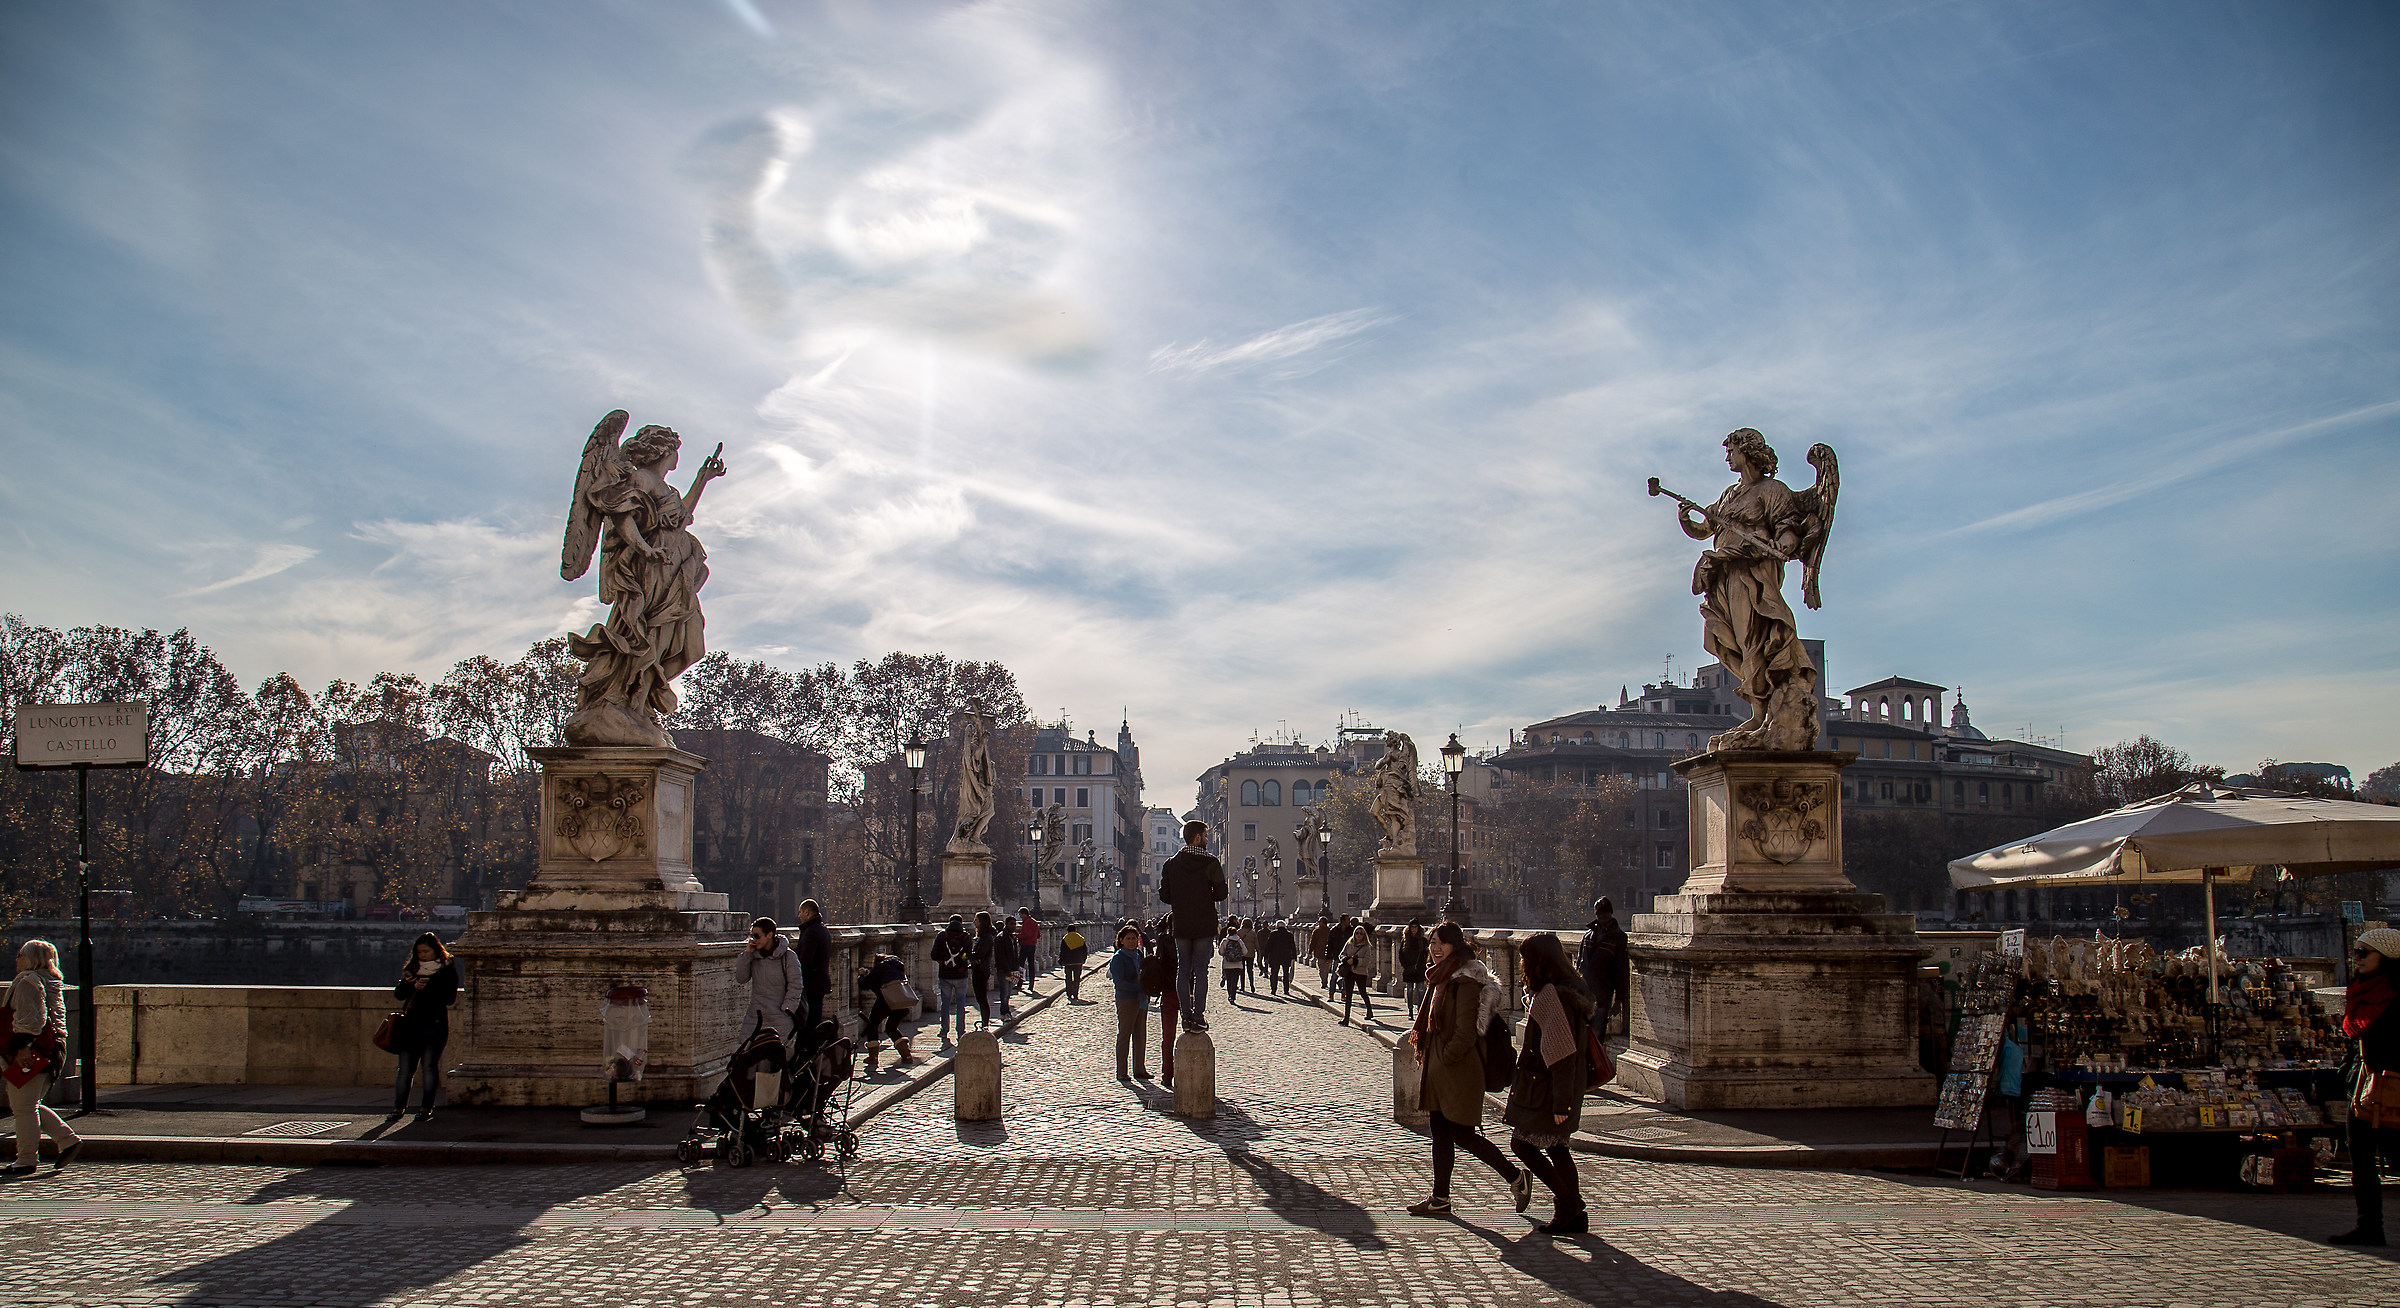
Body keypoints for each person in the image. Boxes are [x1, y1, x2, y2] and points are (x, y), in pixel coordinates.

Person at [1403, 922, 1525, 1217]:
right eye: (1432, 943)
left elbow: (1465, 1033)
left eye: (1441, 943)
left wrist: (1444, 1057)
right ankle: (1440, 1198)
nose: (1434, 949)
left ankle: (1516, 1177)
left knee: (1462, 1133)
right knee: (1441, 1133)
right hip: (1439, 1068)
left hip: (1457, 1069)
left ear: (1455, 946)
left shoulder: (1465, 981)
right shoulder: (1440, 978)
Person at [1506, 932, 1593, 1234]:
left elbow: (1561, 1055)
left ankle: (1569, 1204)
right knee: (1557, 1147)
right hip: (1559, 1086)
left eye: (1525, 960)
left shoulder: (1550, 999)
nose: (1522, 965)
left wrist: (1561, 1104)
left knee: (1522, 1144)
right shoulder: (1567, 991)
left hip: (1547, 1089)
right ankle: (1575, 1217)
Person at [2331, 927, 2400, 1246]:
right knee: (2360, 1158)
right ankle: (2369, 1225)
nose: (2355, 959)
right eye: (2355, 952)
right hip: (2363, 1084)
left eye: (2362, 953)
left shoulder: (2394, 995)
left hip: (2393, 1084)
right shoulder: (2361, 992)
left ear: (2385, 958)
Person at [4, 940, 79, 1174]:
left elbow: (31, 1020)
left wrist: (22, 1047)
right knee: (29, 1103)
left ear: (31, 959)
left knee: (23, 1108)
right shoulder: (52, 982)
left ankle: (26, 1159)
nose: (16, 959)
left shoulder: (28, 982)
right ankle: (67, 1140)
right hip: (54, 1049)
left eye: (20, 954)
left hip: (32, 1049)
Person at [1155, 820, 1227, 1033]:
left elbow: (1164, 895)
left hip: (1182, 923)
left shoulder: (1171, 864)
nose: (1207, 839)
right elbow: (1222, 893)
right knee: (1201, 971)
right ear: (1197, 837)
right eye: (1205, 836)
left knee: (1183, 969)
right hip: (1204, 923)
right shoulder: (1211, 863)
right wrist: (1207, 897)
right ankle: (1198, 1016)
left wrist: (1181, 901)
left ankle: (1185, 1016)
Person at [388, 932, 460, 1123]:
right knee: (404, 1070)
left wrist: (427, 988)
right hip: (410, 1025)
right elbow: (399, 995)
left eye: (426, 951)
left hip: (434, 1025)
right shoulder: (413, 969)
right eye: (419, 952)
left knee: (429, 1067)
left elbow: (449, 998)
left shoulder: (446, 970)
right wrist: (408, 984)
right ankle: (398, 1108)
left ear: (436, 950)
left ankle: (426, 1107)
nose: (422, 955)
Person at [736, 917, 804, 1045]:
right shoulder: (753, 956)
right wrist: (747, 955)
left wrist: (787, 1010)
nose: (754, 940)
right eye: (752, 936)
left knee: (778, 1058)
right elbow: (741, 978)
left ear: (769, 935)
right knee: (748, 1058)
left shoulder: (788, 957)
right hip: (756, 1017)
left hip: (780, 1017)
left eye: (757, 936)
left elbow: (796, 986)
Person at [1576, 898, 1629, 1040]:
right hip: (1584, 993)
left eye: (1605, 913)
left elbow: (1622, 971)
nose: (1602, 916)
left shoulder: (1618, 938)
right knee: (1581, 1035)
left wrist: (1619, 1000)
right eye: (1600, 913)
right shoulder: (1587, 936)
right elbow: (1579, 964)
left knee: (1596, 1035)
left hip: (1602, 995)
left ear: (1610, 913)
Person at [855, 951, 916, 1073]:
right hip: (902, 1002)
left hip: (886, 1001)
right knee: (891, 1028)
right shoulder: (898, 966)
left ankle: (873, 1057)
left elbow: (865, 984)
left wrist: (861, 976)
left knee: (873, 1024)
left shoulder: (880, 966)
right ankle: (907, 1055)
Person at [1107, 925, 1150, 1082]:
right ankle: (1122, 1071)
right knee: (1125, 1034)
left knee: (1140, 1034)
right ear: (1121, 940)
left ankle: (1140, 1069)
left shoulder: (1138, 955)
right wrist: (1140, 987)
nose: (1132, 941)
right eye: (1128, 939)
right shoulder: (1118, 958)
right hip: (1126, 999)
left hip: (1141, 998)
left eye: (1134, 938)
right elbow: (1119, 982)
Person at [931, 914, 975, 1050]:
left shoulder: (942, 936)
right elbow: (967, 955)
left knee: (945, 1003)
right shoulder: (966, 937)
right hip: (961, 974)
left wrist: (944, 962)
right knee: (961, 1004)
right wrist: (960, 961)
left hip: (945, 974)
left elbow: (933, 955)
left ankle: (944, 1030)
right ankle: (960, 1031)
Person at [793, 900, 834, 1038]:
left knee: (807, 1025)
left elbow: (805, 962)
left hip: (811, 985)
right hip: (819, 983)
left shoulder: (810, 932)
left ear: (807, 912)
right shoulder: (822, 929)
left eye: (800, 912)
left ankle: (808, 1055)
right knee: (814, 1021)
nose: (799, 916)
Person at [1147, 930, 1182, 1086]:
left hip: (1168, 992)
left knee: (1167, 1037)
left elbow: (1159, 965)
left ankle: (1167, 1075)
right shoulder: (1189, 940)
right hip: (1187, 992)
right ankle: (1189, 1071)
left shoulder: (1163, 941)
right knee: (1193, 1032)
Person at [1339, 924, 1379, 1024]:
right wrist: (1346, 960)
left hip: (1361, 973)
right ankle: (1346, 1017)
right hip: (1349, 972)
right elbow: (1341, 954)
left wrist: (1356, 961)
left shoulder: (1366, 946)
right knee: (1348, 995)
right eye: (1357, 933)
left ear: (1364, 935)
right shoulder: (1349, 943)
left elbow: (1367, 960)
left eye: (1361, 933)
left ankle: (1369, 1011)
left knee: (1363, 992)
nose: (1359, 935)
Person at [971, 911, 999, 1028]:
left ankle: (985, 1023)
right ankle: (984, 1022)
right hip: (980, 969)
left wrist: (967, 954)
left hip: (981, 970)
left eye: (976, 920)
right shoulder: (984, 936)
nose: (974, 922)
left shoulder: (986, 937)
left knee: (981, 998)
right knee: (981, 998)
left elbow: (980, 954)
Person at [1399, 922, 1430, 1018]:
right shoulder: (1405, 941)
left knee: (1420, 990)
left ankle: (1419, 1010)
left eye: (1415, 927)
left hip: (1420, 969)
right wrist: (1406, 966)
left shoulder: (1423, 941)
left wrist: (1422, 965)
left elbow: (1426, 954)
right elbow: (1401, 955)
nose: (1414, 929)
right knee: (1409, 989)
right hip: (1409, 968)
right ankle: (1410, 1010)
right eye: (1412, 927)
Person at [994, 917, 1023, 1020]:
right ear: (1006, 924)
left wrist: (1017, 970)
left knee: (1008, 992)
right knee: (1004, 992)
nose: (1013, 926)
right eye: (1011, 924)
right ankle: (1004, 1013)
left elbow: (1016, 954)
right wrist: (1007, 970)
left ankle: (1007, 1012)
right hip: (1005, 971)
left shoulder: (1013, 937)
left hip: (1013, 969)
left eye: (1014, 924)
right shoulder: (1001, 937)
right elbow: (1000, 956)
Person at [1262, 920, 1297, 996]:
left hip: (1275, 956)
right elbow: (1293, 947)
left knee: (1274, 974)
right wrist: (1294, 957)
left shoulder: (1273, 934)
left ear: (1277, 926)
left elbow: (1268, 945)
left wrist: (1266, 956)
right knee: (1286, 974)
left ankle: (1273, 989)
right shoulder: (1289, 935)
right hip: (1286, 956)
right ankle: (1286, 990)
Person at [1219, 925, 1249, 1005]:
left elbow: (1221, 952)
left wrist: (1226, 954)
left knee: (1229, 980)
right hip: (1238, 964)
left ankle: (1229, 995)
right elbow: (1245, 951)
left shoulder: (1225, 941)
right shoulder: (1239, 941)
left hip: (1227, 964)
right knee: (1234, 981)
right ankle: (1233, 996)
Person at [1059, 924, 1089, 1002]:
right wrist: (1084, 959)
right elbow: (1085, 950)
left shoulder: (1065, 938)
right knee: (1077, 978)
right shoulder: (1080, 938)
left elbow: (1062, 951)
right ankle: (1075, 993)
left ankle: (1069, 993)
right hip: (1078, 961)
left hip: (1068, 962)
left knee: (1068, 978)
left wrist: (1061, 960)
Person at [1017, 909, 1042, 992]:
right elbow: (1038, 935)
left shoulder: (1027, 922)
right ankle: (1031, 984)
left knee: (1021, 965)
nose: (1020, 917)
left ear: (1024, 914)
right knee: (1031, 965)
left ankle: (1019, 983)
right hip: (1032, 945)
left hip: (1025, 945)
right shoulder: (1034, 922)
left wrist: (1016, 935)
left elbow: (1025, 934)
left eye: (1020, 915)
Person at [1238, 918, 1261, 994]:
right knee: (1250, 970)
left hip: (1241, 953)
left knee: (1242, 970)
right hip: (1250, 954)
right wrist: (1259, 954)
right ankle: (1252, 985)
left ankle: (1242, 986)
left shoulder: (1239, 932)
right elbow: (1257, 944)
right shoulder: (1253, 933)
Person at [1310, 917, 1334, 988]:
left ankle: (1324, 981)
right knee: (1324, 968)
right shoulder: (1326, 930)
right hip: (1324, 952)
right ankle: (1324, 981)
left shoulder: (1318, 931)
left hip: (1323, 952)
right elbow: (1313, 941)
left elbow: (1313, 942)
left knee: (1322, 968)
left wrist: (1310, 950)